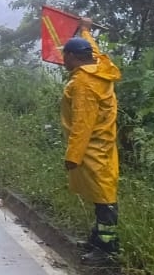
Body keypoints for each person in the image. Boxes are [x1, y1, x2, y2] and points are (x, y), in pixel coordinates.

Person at [61, 22, 122, 265]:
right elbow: (94, 52)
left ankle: (107, 251)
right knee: (101, 196)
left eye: (65, 56)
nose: (63, 60)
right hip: (105, 145)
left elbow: (82, 124)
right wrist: (85, 30)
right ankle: (97, 240)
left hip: (93, 150)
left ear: (74, 57)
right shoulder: (99, 68)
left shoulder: (83, 84)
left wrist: (72, 156)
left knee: (104, 199)